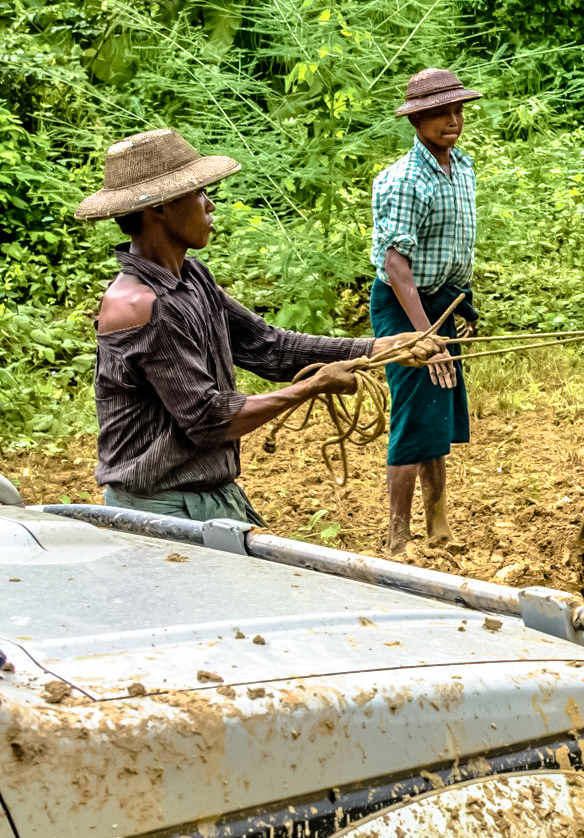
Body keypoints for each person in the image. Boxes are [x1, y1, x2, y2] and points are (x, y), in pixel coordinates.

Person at [77, 129, 444, 525]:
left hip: (207, 496)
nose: (209, 204)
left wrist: (381, 348)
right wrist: (314, 385)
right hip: (160, 508)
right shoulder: (139, 306)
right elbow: (210, 419)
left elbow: (270, 347)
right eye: (199, 192)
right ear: (161, 209)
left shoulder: (191, 278)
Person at [372, 67, 481, 555]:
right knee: (415, 412)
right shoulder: (403, 179)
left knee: (438, 414)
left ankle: (438, 522)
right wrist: (424, 338)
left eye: (456, 111)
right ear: (417, 120)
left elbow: (458, 246)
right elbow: (396, 265)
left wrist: (464, 304)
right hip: (405, 305)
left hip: (441, 300)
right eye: (439, 113)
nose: (451, 121)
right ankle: (398, 532)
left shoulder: (464, 168)